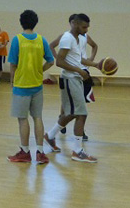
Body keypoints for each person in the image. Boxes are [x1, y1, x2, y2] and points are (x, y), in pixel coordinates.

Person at [44, 13, 101, 163]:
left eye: (87, 27)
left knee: (71, 113)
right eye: (84, 27)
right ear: (74, 23)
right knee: (81, 113)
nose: (86, 30)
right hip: (70, 79)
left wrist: (96, 64)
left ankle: (50, 135)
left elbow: (79, 59)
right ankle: (77, 151)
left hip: (76, 79)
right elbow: (60, 62)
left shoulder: (80, 39)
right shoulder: (67, 38)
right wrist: (79, 71)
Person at [6, 10, 55, 164]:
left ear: (21, 22)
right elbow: (51, 61)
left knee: (23, 119)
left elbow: (13, 64)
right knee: (37, 117)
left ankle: (25, 152)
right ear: (35, 23)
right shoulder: (41, 40)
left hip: (21, 85)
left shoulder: (17, 40)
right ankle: (40, 152)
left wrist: (12, 81)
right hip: (37, 85)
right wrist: (40, 70)